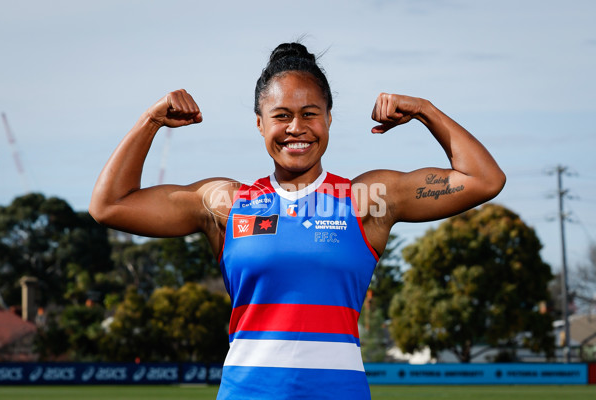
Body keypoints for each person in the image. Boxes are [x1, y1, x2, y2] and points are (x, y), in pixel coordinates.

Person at [90, 42, 505, 399]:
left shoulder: (366, 200)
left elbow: (484, 180)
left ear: (328, 119)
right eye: (281, 115)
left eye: (310, 114)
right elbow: (109, 205)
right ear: (259, 123)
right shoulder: (225, 203)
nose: (296, 128)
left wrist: (424, 110)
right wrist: (151, 121)